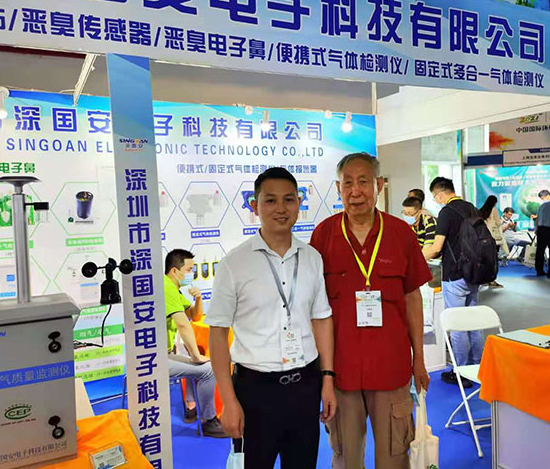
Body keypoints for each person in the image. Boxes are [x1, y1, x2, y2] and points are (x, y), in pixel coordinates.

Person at [207, 167, 336, 469]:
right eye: (270, 200)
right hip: (255, 390)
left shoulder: (312, 258)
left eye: (289, 199)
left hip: (305, 385)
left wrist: (328, 379)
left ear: (299, 204)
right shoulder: (234, 264)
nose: (281, 208)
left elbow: (322, 319)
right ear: (255, 206)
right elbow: (217, 333)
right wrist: (228, 400)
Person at [310, 153, 431, 469]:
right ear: (338, 188)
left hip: (392, 368)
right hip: (341, 371)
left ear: (378, 185)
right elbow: (314, 309)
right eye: (347, 183)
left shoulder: (401, 233)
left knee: (394, 457)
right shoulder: (323, 235)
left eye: (363, 182)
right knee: (346, 458)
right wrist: (323, 372)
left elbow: (412, 298)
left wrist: (419, 357)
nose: (355, 191)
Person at [423, 177, 482, 388]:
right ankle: (477, 366)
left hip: (455, 274)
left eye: (435, 197)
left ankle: (460, 371)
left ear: (439, 194)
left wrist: (414, 258)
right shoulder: (471, 208)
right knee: (475, 322)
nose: (436, 200)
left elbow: (436, 247)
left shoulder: (447, 212)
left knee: (457, 324)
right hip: (474, 272)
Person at [163, 249, 227, 437]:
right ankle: (208, 420)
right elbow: (183, 323)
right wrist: (196, 355)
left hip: (164, 353)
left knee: (194, 363)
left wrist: (198, 298)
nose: (192, 273)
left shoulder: (172, 288)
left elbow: (194, 315)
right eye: (189, 270)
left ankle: (191, 408)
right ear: (175, 271)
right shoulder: (166, 288)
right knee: (208, 369)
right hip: (156, 359)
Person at [479, 195, 508, 288]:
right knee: (493, 260)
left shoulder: (481, 211)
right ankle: (491, 280)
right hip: (493, 239)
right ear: (494, 202)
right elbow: (498, 223)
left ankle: (483, 279)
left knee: (484, 260)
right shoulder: (493, 210)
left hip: (483, 238)